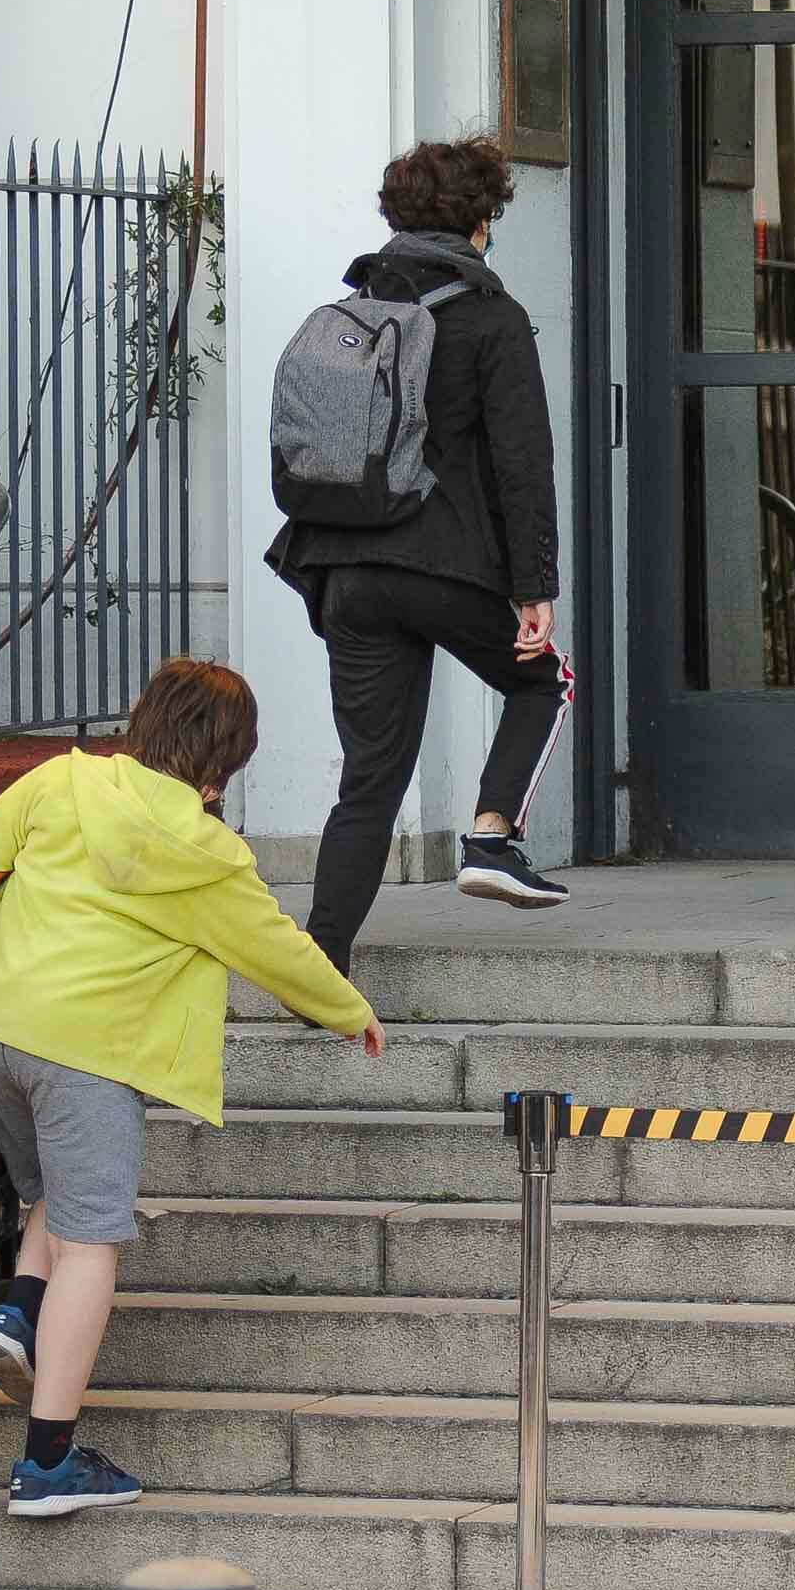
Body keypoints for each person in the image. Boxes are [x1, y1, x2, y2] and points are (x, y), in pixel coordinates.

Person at [0, 659, 384, 1515]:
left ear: (140, 718)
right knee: (92, 1244)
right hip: (88, 1056)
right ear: (222, 771)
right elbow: (275, 946)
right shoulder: (209, 853)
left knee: (51, 1199)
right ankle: (48, 1462)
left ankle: (15, 1313)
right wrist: (348, 1009)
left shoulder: (57, 780)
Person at [268, 135, 572, 974]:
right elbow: (522, 464)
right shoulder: (492, 317)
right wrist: (533, 587)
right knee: (542, 678)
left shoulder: (352, 312)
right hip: (444, 563)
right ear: (479, 222)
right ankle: (490, 838)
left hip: (342, 568)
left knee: (370, 774)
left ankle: (321, 961)